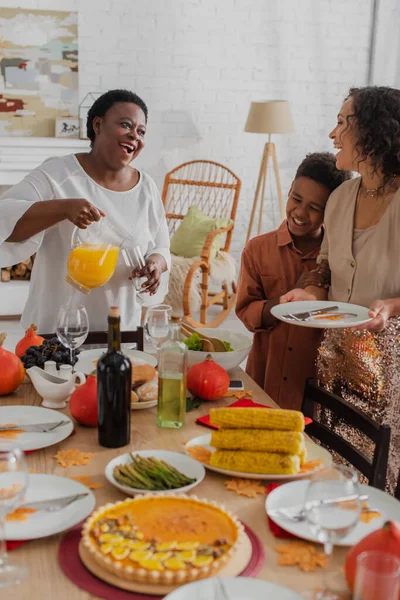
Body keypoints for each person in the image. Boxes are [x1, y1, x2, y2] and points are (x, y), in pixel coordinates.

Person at [281, 86, 400, 493]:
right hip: (338, 355)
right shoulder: (342, 196)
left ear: (371, 131)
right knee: (336, 464)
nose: (333, 135)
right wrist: (311, 292)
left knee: (385, 469)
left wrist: (393, 305)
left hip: (391, 364)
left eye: (341, 123)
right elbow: (323, 267)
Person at [0, 89, 171, 333]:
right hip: (55, 331)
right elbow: (4, 219)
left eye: (141, 131)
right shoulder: (57, 174)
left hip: (120, 331)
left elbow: (162, 246)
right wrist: (62, 208)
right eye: (126, 125)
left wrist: (156, 263)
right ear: (98, 124)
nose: (135, 135)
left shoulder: (147, 188)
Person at [236, 152, 351, 410]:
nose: (299, 212)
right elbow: (247, 313)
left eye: (314, 208)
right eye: (296, 199)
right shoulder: (257, 250)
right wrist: (290, 296)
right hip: (263, 379)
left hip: (313, 388)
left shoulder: (339, 258)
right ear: (289, 191)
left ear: (331, 211)